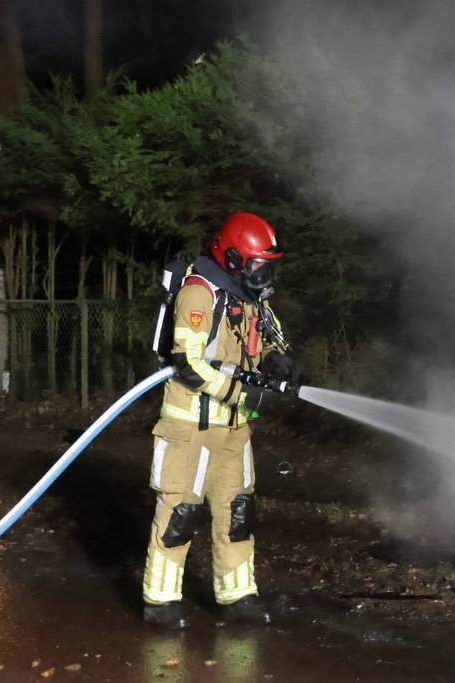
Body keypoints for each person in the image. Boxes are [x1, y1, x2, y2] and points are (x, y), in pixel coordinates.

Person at [142, 212, 296, 629]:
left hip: (234, 428)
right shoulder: (199, 293)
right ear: (232, 259)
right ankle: (161, 601)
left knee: (238, 513)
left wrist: (276, 361)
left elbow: (265, 338)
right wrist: (243, 392)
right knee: (180, 515)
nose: (265, 276)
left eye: (269, 267)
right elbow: (188, 364)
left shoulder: (251, 296)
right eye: (259, 266)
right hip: (190, 427)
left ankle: (237, 595)